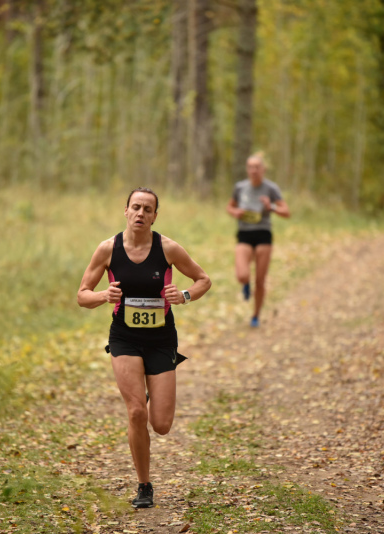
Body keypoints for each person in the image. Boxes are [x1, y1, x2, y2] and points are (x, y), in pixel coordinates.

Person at [77, 187, 211, 509]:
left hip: (161, 339)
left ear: (154, 216)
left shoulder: (168, 249)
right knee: (137, 411)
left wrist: (185, 296)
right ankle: (144, 486)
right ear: (125, 211)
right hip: (124, 336)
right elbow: (83, 294)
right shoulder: (107, 249)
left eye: (147, 209)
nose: (140, 213)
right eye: (135, 207)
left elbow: (203, 279)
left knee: (161, 424)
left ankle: (146, 390)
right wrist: (102, 296)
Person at [226, 153, 290, 328]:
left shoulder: (271, 188)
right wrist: (235, 212)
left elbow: (286, 212)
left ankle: (255, 315)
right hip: (244, 234)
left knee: (260, 280)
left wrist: (272, 207)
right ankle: (245, 285)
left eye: (257, 167)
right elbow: (229, 206)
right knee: (242, 275)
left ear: (263, 169)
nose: (253, 170)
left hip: (263, 234)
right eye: (250, 167)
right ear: (247, 169)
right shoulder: (240, 187)